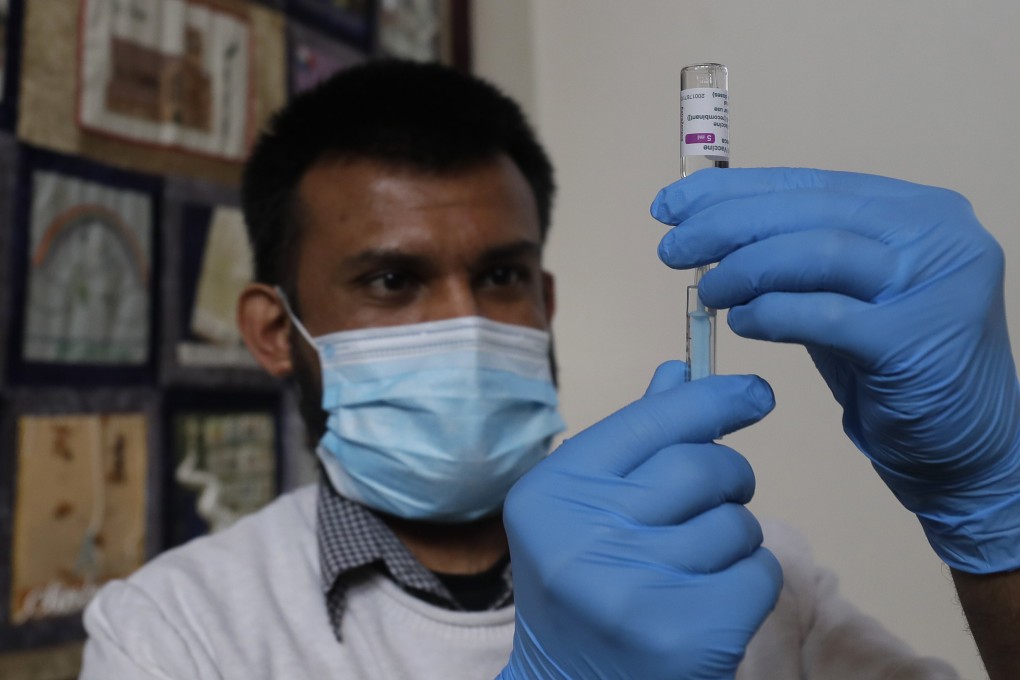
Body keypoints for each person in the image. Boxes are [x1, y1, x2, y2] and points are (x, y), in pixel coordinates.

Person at [79, 60, 1020, 680]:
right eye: (393, 280)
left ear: (547, 298)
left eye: (501, 275)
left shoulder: (743, 563)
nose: (465, 323)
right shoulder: (175, 630)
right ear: (273, 332)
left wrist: (996, 514)